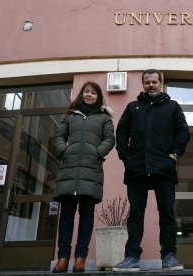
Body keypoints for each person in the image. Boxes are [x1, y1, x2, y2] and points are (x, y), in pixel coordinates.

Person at [113, 69, 190, 272]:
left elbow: (183, 132)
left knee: (167, 214)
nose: (151, 85)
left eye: (154, 81)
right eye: (147, 82)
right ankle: (131, 258)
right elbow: (120, 133)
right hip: (136, 169)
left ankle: (169, 257)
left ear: (161, 83)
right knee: (135, 214)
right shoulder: (133, 107)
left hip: (164, 169)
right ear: (143, 84)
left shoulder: (172, 107)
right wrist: (126, 158)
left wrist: (174, 155)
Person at [52, 81, 115, 273]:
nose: (89, 95)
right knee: (66, 216)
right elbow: (59, 136)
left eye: (93, 92)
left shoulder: (104, 118)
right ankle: (62, 259)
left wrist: (97, 152)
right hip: (69, 170)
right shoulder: (70, 116)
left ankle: (80, 258)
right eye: (86, 91)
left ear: (98, 96)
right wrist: (64, 151)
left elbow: (109, 139)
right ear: (81, 94)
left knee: (86, 216)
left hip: (91, 170)